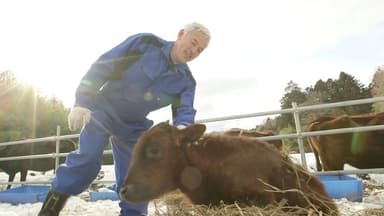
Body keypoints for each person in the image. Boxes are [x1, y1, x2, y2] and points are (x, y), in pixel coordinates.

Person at [38, 22, 210, 216]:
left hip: (134, 126)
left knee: (136, 181)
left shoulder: (186, 82)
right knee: (87, 162)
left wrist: (182, 130)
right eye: (193, 42)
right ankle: (50, 209)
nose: (194, 50)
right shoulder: (145, 43)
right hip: (103, 110)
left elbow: (185, 111)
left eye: (200, 50)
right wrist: (82, 101)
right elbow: (104, 65)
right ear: (180, 34)